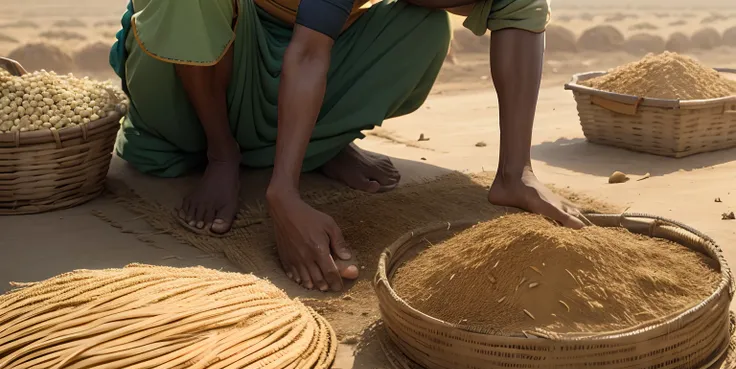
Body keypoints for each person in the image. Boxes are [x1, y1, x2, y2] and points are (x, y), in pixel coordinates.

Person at [110, 0, 583, 293]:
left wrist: (518, 170)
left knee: (425, 27)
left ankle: (321, 141)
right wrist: (283, 194)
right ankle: (223, 151)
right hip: (208, 67)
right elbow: (309, 51)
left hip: (309, 57)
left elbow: (518, 6)